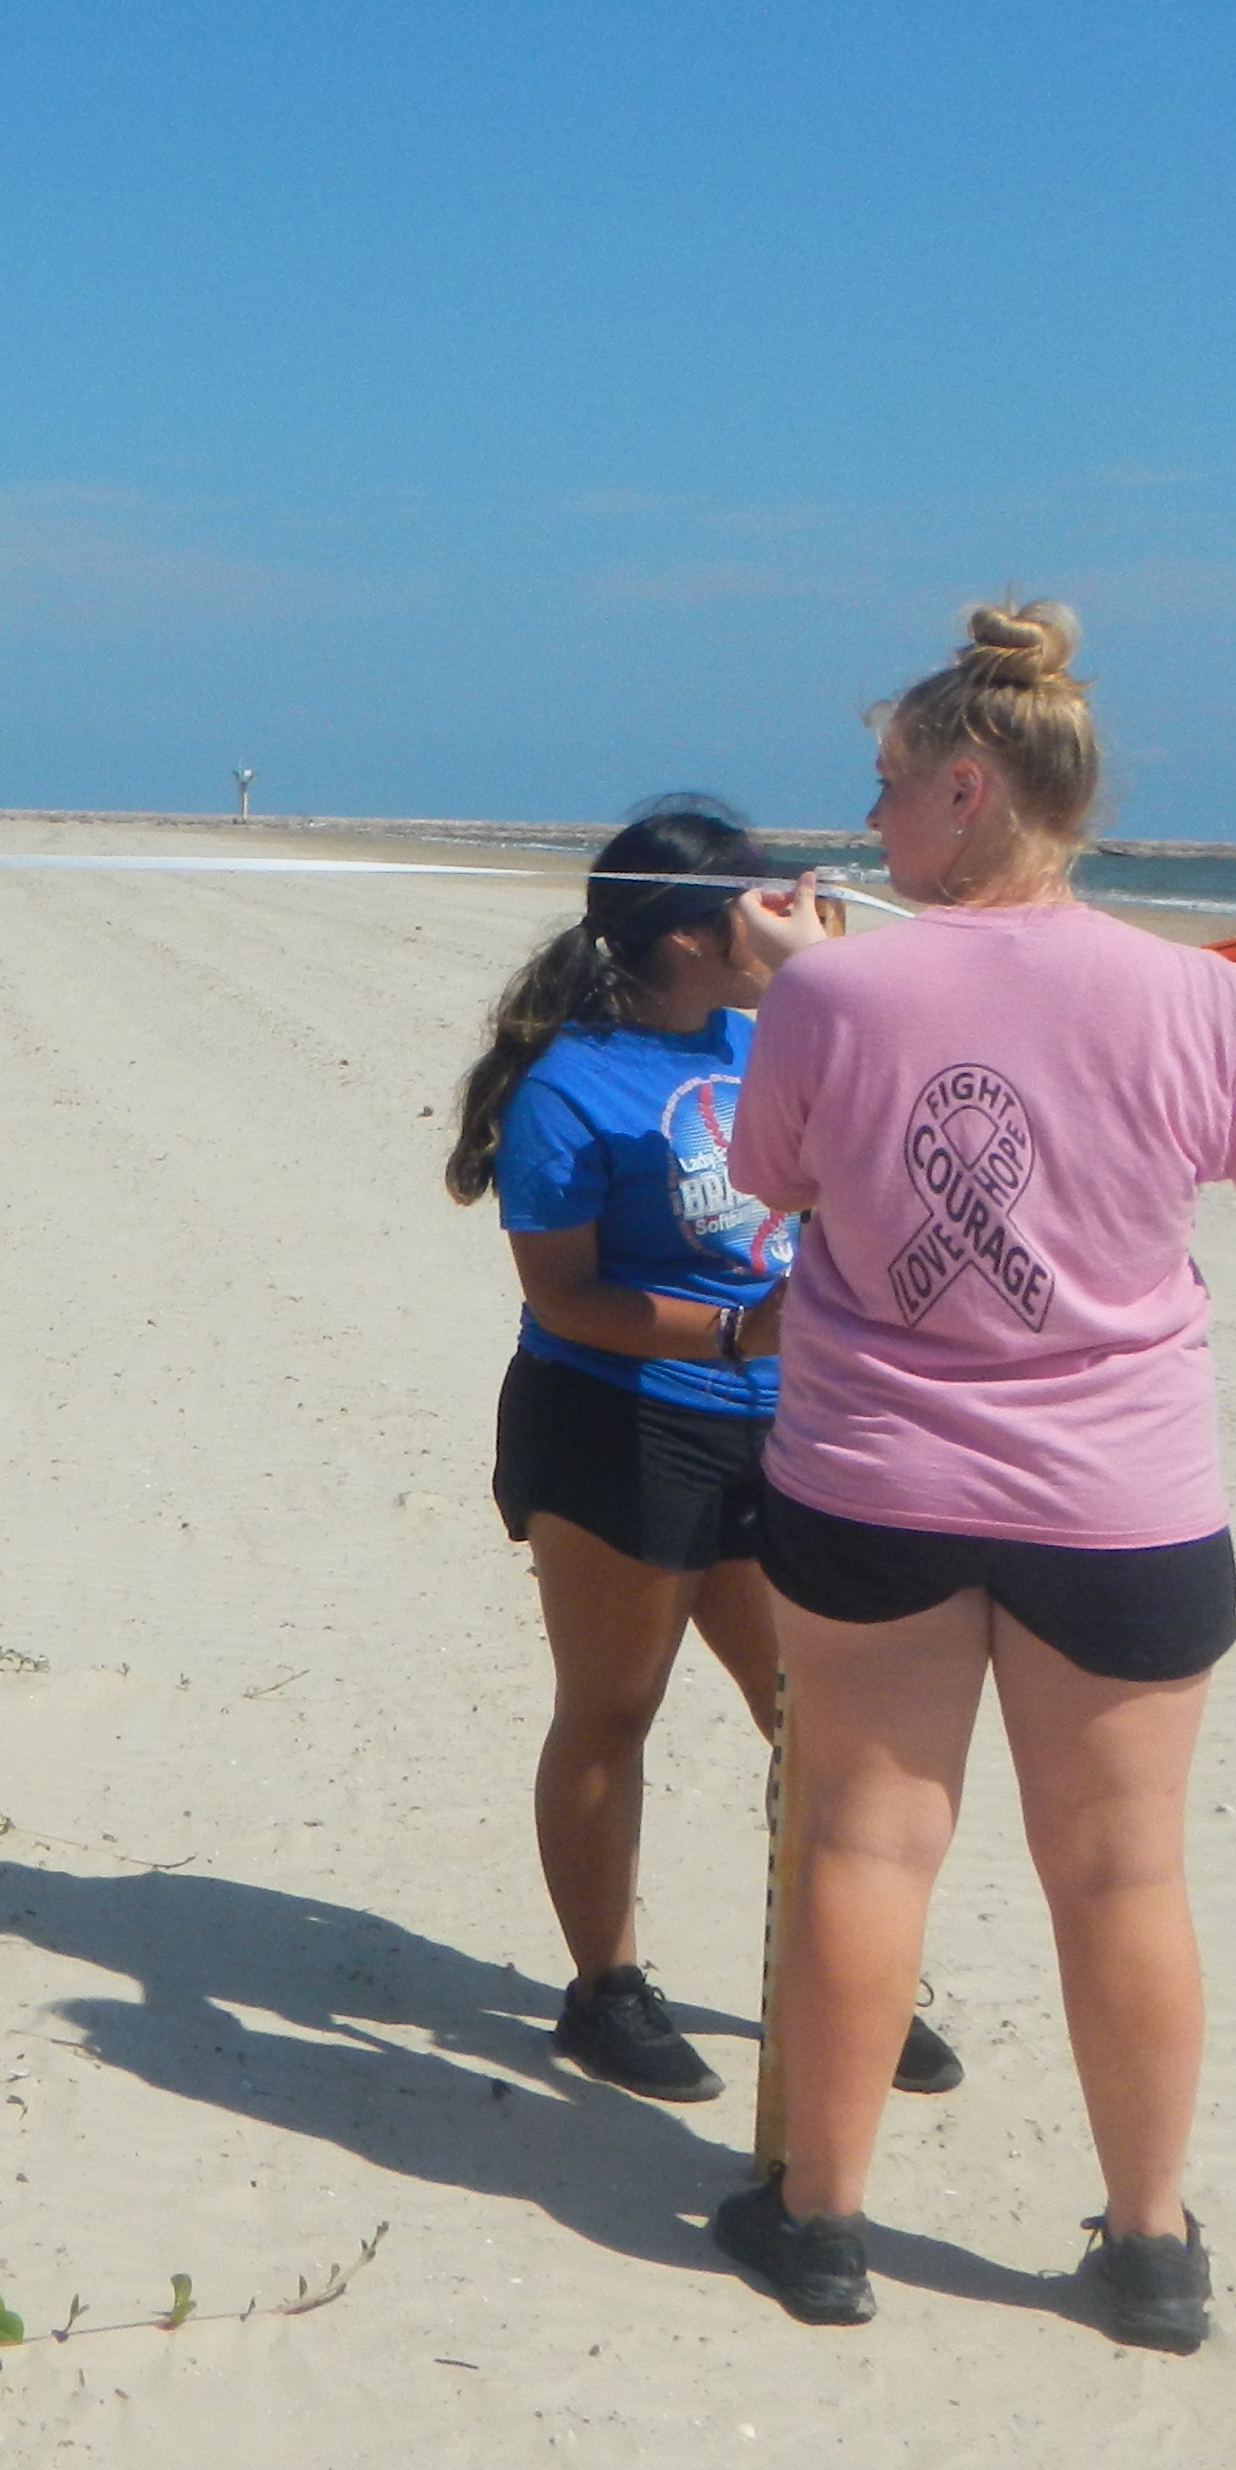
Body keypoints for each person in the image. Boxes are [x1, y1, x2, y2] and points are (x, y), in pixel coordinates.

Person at [710, 603, 1236, 2349]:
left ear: (969, 787)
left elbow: (774, 1183)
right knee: (1122, 1874)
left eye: (887, 792)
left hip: (875, 1476)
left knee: (867, 1843)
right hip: (1121, 1499)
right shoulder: (1196, 1001)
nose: (868, 828)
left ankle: (822, 2223)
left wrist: (801, 986)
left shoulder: (835, 989)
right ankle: (1151, 2247)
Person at [445, 802, 957, 2107]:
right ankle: (604, 1986)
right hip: (622, 1418)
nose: (789, 904)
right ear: (685, 935)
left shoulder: (769, 1030)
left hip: (786, 1422)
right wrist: (744, 1324)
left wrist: (828, 979)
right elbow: (567, 1298)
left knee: (820, 1717)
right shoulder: (572, 1087)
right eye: (758, 898)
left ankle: (844, 1968)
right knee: (615, 1707)